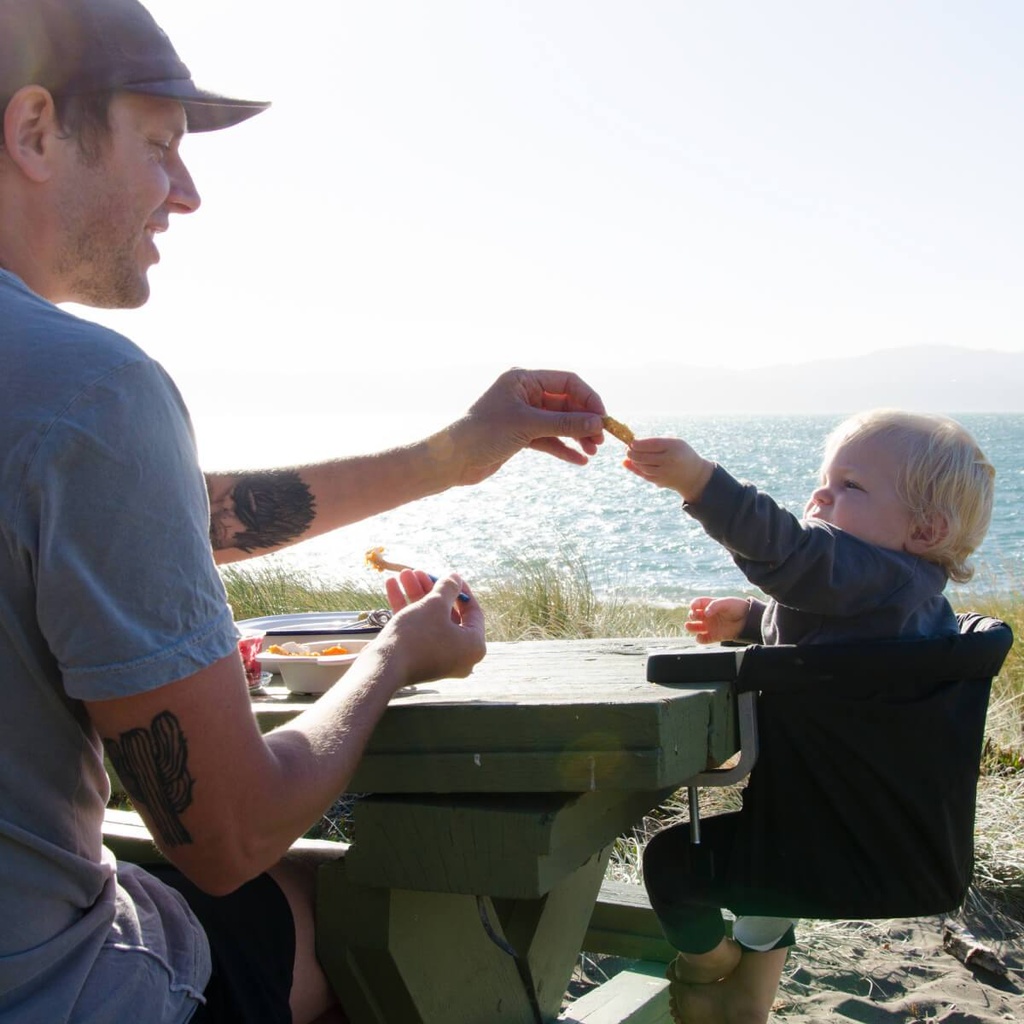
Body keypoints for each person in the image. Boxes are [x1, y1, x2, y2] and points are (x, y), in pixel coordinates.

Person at [0, 1, 610, 1021]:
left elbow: (158, 521)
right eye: (160, 147)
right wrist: (395, 657)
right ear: (33, 131)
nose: (185, 193)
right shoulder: (91, 392)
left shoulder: (56, 414)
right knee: (396, 918)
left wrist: (450, 456)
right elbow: (228, 834)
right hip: (49, 987)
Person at [622, 408, 995, 1024]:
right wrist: (747, 620)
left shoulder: (869, 574)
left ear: (925, 529)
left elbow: (794, 557)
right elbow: (823, 623)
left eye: (852, 486)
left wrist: (702, 484)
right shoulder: (905, 595)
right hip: (882, 836)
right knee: (765, 881)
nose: (822, 492)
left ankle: (708, 967)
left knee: (669, 863)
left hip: (816, 839)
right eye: (825, 476)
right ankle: (749, 1001)